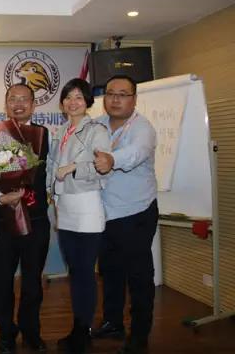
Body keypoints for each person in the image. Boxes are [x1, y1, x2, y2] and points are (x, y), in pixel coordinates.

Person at [91, 75, 158, 354]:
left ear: (134, 99)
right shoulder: (97, 125)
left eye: (123, 94)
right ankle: (113, 322)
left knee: (139, 276)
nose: (115, 99)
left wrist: (112, 159)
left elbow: (136, 152)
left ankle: (139, 335)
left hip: (135, 212)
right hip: (105, 213)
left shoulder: (142, 127)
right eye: (110, 93)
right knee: (110, 271)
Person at [47, 78, 111, 354]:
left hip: (86, 207)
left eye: (78, 97)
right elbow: (52, 167)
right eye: (68, 97)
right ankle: (77, 328)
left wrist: (74, 167)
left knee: (85, 273)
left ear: (87, 102)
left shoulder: (97, 130)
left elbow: (103, 166)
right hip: (65, 208)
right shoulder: (61, 130)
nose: (73, 102)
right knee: (74, 272)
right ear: (62, 103)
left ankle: (83, 332)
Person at [0, 83, 51, 353]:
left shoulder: (44, 135)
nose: (19, 104)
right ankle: (6, 333)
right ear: (6, 104)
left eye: (24, 99)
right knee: (3, 281)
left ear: (34, 105)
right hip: (2, 220)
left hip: (36, 219)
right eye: (13, 99)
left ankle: (31, 331)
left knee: (32, 281)